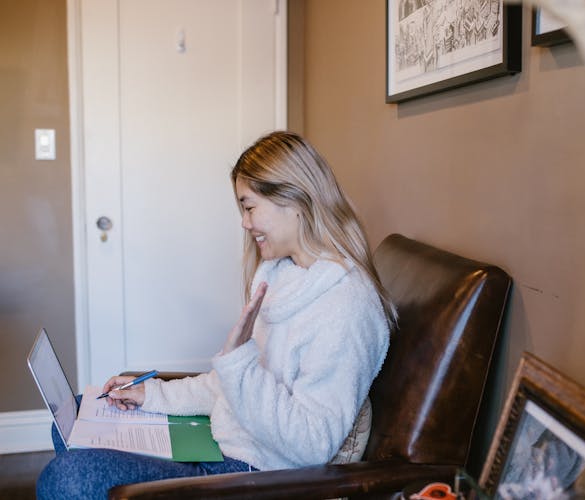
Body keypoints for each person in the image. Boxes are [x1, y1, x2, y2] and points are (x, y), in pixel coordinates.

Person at [36, 131, 396, 499]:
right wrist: (152, 395)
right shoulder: (284, 275)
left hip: (255, 475)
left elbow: (311, 443)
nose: (244, 222)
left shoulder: (346, 307)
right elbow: (230, 388)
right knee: (77, 412)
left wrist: (239, 364)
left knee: (69, 478)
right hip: (219, 442)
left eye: (249, 206)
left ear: (294, 198)